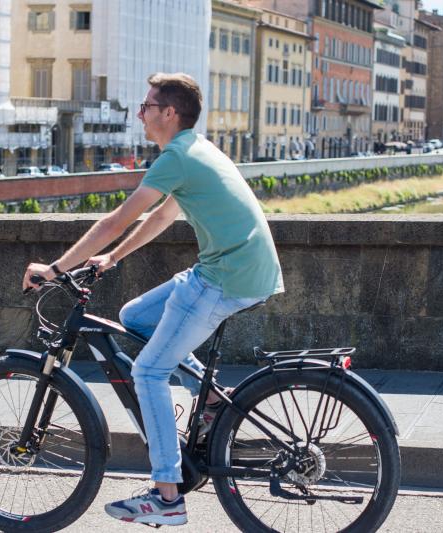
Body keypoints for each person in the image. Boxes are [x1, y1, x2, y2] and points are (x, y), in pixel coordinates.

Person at [22, 72, 284, 527]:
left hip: (227, 276)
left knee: (148, 371)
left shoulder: (178, 157)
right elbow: (164, 215)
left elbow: (116, 218)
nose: (140, 114)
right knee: (134, 316)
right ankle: (213, 405)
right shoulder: (193, 151)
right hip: (237, 269)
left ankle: (166, 496)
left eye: (146, 106)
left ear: (169, 113)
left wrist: (55, 269)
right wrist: (112, 258)